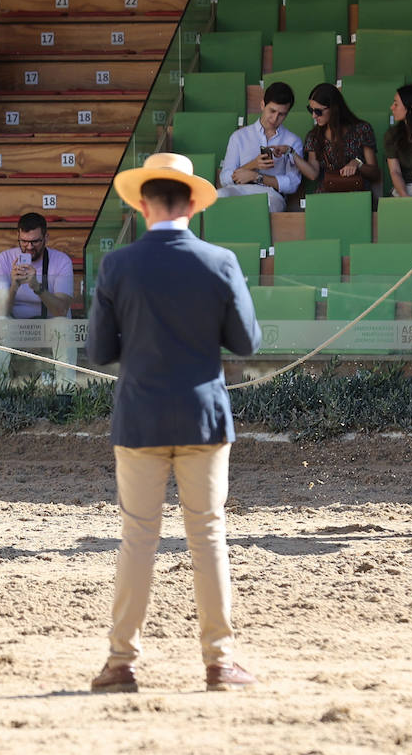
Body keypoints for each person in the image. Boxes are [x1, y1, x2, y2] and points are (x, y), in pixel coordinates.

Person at [85, 152, 261, 694]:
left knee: (138, 537)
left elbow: (98, 351)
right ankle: (219, 661)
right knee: (207, 536)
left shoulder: (117, 265)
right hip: (203, 417)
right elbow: (247, 343)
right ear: (192, 203)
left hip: (139, 417)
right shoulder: (220, 261)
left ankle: (121, 663)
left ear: (141, 205)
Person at [0, 212, 76, 389]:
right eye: (24, 241)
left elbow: (61, 311)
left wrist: (37, 287)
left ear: (46, 238)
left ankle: (65, 393)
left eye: (35, 241)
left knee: (63, 327)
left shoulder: (61, 261)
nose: (29, 247)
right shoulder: (4, 259)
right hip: (15, 325)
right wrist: (14, 285)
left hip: (49, 324)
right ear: (18, 236)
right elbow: (1, 310)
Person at [215, 81, 304, 212]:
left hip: (271, 195)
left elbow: (292, 184)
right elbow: (224, 178)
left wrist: (257, 177)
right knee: (218, 196)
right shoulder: (239, 136)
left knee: (267, 207)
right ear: (262, 105)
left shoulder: (292, 141)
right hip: (239, 190)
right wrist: (253, 165)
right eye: (272, 111)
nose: (274, 118)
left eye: (282, 114)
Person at [292, 82, 379, 196]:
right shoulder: (314, 136)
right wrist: (291, 153)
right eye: (311, 110)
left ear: (334, 108)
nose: (314, 116)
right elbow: (313, 174)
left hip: (356, 191)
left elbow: (375, 173)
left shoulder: (362, 129)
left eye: (318, 111)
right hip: (327, 192)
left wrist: (358, 164)